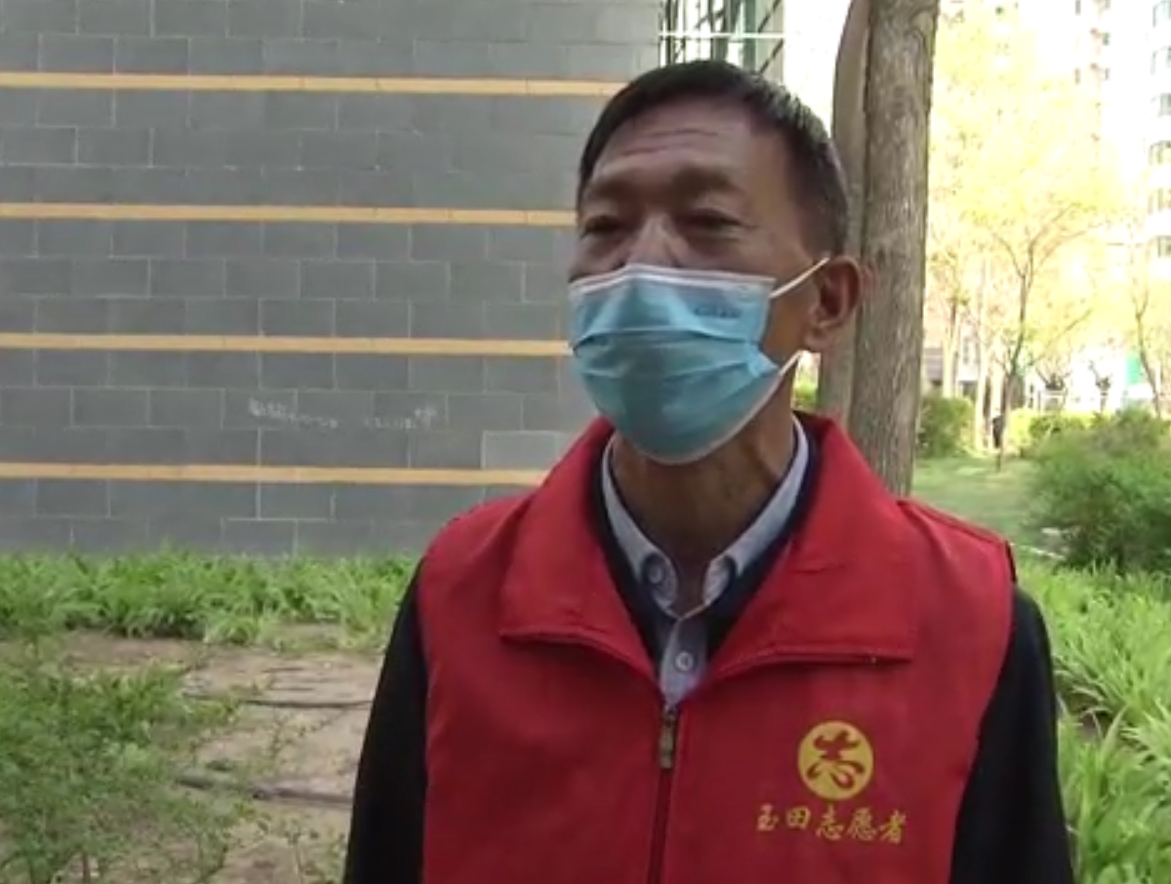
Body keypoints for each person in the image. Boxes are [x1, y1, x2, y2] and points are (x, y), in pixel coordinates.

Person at [342, 59, 1074, 884]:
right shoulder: (461, 595)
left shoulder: (969, 624)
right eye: (606, 225)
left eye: (707, 221)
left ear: (827, 302)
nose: (641, 264)